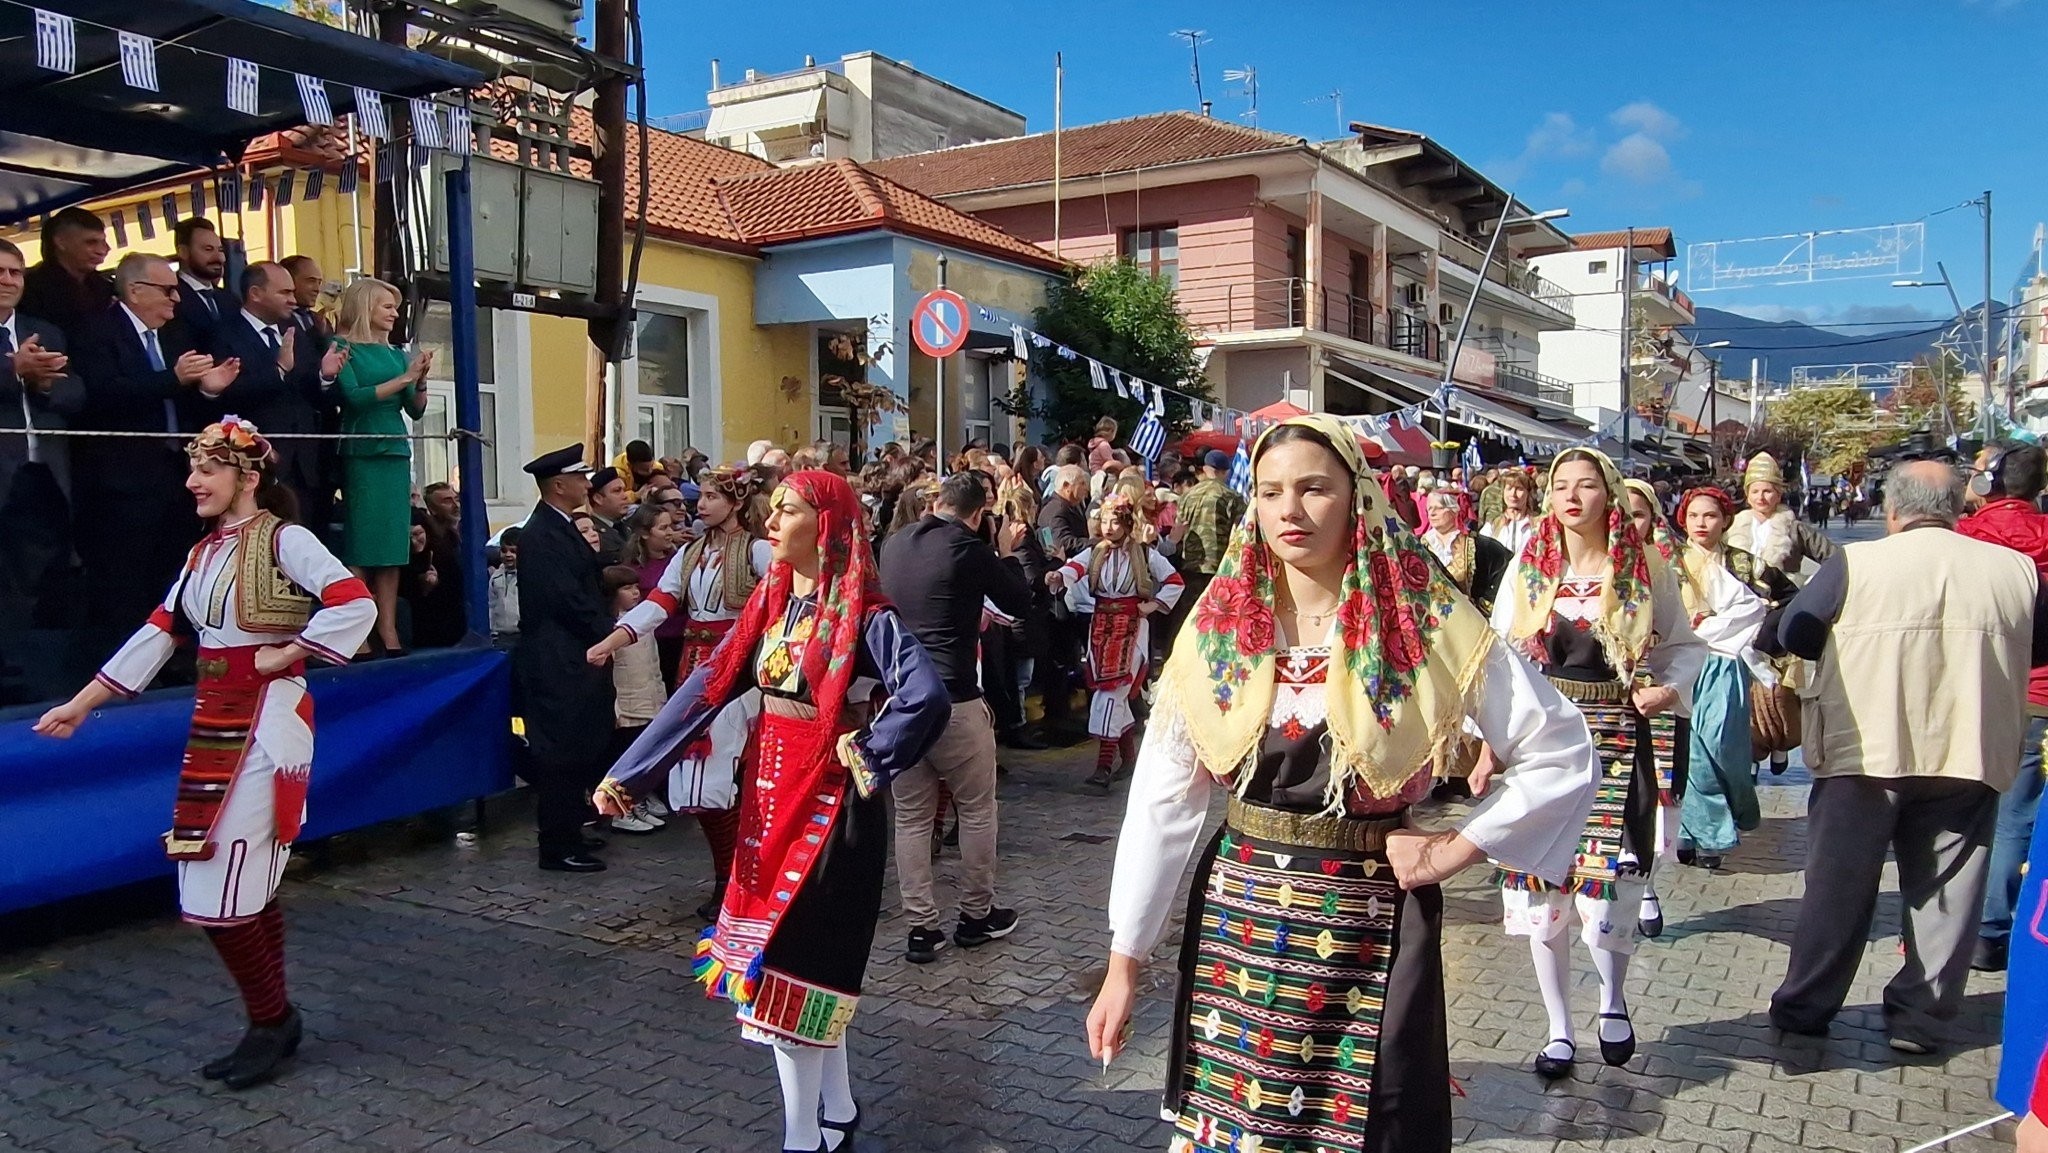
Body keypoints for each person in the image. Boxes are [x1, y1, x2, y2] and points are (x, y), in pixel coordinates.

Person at [1084, 415, 1601, 1153]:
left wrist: (1452, 848)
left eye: (1313, 488)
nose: (1289, 510)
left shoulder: (1424, 619)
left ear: (1357, 496)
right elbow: (1163, 802)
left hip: (1371, 925)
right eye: (1269, 492)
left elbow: (1560, 747)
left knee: (1368, 1129)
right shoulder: (1220, 626)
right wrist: (1123, 962)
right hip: (1243, 922)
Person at [594, 470, 948, 1153]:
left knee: (793, 972)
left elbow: (924, 697)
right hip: (769, 797)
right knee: (795, 968)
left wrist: (870, 751)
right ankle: (835, 1111)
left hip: (827, 812)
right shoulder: (773, 603)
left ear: (826, 525)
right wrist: (631, 771)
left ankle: (800, 1139)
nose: (771, 522)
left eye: (786, 511)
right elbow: (707, 685)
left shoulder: (867, 614)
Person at [32, 416, 374, 1089]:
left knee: (222, 889)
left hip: (266, 722)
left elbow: (352, 601)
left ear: (248, 476)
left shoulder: (286, 537)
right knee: (230, 881)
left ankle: (271, 1019)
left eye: (207, 469)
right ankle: (273, 1016)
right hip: (214, 719)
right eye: (193, 469)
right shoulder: (202, 552)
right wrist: (82, 701)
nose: (193, 481)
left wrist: (292, 649)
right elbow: (162, 628)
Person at [1768, 460, 2048, 1055]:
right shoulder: (2017, 570)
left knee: (1838, 886)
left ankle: (1806, 1006)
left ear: (1892, 510)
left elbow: (1795, 631)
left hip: (1865, 749)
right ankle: (1921, 1020)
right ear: (1958, 507)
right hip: (1969, 746)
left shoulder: (1858, 561)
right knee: (1948, 889)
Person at [1491, 448, 1705, 1080]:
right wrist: (1488, 745)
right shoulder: (1530, 570)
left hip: (1616, 735)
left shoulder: (1643, 568)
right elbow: (1500, 655)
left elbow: (1687, 644)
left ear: (1610, 495)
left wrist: (1664, 689)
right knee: (1542, 888)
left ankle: (1612, 1001)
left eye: (1587, 485)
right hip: (1546, 743)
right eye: (1561, 486)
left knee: (1608, 888)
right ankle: (1558, 1026)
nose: (1572, 497)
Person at [587, 465, 769, 916]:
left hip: (739, 673)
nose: (699, 504)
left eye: (710, 496)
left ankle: (744, 880)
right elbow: (661, 602)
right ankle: (728, 877)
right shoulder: (690, 555)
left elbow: (787, 601)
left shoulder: (759, 550)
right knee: (696, 782)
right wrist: (614, 639)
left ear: (737, 502)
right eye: (700, 496)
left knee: (726, 776)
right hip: (695, 673)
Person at [880, 471, 1036, 963]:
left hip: (902, 701)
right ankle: (975, 914)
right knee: (975, 809)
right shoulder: (968, 548)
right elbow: (1018, 598)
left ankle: (921, 927)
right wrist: (1008, 551)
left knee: (911, 818)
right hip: (955, 699)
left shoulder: (895, 542)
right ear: (976, 513)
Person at [68, 253, 238, 675]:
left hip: (175, 476)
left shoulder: (175, 337)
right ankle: (123, 671)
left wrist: (210, 391)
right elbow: (102, 395)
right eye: (166, 290)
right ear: (135, 291)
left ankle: (173, 664)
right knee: (125, 580)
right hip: (120, 479)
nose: (175, 298)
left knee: (174, 575)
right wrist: (173, 380)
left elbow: (185, 398)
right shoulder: (98, 331)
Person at [1956, 443, 2048, 973]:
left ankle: (1986, 930)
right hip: (2041, 692)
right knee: (2023, 812)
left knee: (1994, 813)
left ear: (1989, 483)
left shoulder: (1969, 539)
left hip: (1988, 688)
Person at [516, 447, 618, 874]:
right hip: (557, 659)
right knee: (560, 752)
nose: (586, 485)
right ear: (559, 485)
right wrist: (606, 631)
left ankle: (570, 830)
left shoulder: (562, 527)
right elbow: (566, 598)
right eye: (580, 478)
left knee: (579, 747)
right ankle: (557, 844)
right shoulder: (541, 534)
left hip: (571, 656)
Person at [1673, 486, 1783, 869]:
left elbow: (1785, 597)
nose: (1702, 523)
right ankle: (1699, 834)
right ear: (1682, 520)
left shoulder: (1744, 565)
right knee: (1690, 751)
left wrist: (1757, 634)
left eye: (1711, 516)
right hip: (1679, 666)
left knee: (1721, 747)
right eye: (1694, 516)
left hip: (1724, 664)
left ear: (1725, 519)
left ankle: (1729, 812)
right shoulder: (1669, 562)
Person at [1051, 491, 1185, 789]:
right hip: (1100, 627)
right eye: (1105, 521)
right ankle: (1128, 757)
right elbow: (1075, 566)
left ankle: (1103, 767)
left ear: (1126, 523)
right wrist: (1058, 576)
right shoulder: (1096, 551)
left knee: (1112, 692)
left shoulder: (1145, 554)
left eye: (1114, 521)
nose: (1108, 527)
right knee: (1107, 690)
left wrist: (1152, 606)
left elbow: (1175, 581)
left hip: (1132, 629)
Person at [332, 278, 431, 657]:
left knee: (392, 545)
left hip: (394, 448)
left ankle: (387, 627)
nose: (394, 313)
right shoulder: (343, 347)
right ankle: (357, 629)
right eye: (386, 306)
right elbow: (353, 398)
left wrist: (418, 382)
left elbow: (414, 409)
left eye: (395, 307)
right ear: (365, 307)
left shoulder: (395, 354)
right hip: (362, 447)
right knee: (363, 543)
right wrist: (404, 378)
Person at [212, 262, 346, 534]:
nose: (293, 300)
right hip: (255, 465)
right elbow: (228, 394)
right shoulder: (224, 334)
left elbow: (309, 389)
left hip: (304, 466)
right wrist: (279, 371)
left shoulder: (294, 331)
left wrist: (325, 375)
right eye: (284, 292)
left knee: (300, 545)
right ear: (256, 293)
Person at [0, 237, 82, 636]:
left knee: (46, 582)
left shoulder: (43, 331)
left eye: (15, 272)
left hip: (45, 476)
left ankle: (36, 676)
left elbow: (77, 393)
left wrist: (46, 383)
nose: (8, 280)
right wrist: (12, 369)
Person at [600, 563, 669, 835]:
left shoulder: (642, 621)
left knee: (644, 753)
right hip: (627, 703)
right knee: (625, 755)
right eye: (627, 588)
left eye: (636, 587)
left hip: (649, 697)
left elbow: (652, 664)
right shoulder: (612, 627)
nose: (635, 593)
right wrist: (616, 708)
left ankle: (638, 798)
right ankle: (621, 809)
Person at [1168, 449, 1245, 646]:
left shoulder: (1187, 496)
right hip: (1220, 565)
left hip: (1190, 564)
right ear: (1226, 471)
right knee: (1217, 618)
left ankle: (1184, 652)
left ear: (1205, 469)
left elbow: (1179, 527)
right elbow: (1240, 533)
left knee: (1189, 615)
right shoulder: (1232, 497)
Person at [1728, 452, 1837, 577]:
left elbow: (1834, 557)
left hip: (1783, 595)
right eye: (1755, 492)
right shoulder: (1732, 527)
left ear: (1778, 495)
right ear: (1747, 496)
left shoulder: (1794, 528)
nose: (1760, 497)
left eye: (1767, 491)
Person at [20, 206, 113, 338]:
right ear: (60, 242)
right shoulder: (30, 293)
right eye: (91, 242)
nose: (103, 250)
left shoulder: (105, 287)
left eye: (103, 241)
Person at [1421, 490, 1512, 613]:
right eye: (1429, 508)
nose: (1432, 513)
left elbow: (1503, 574)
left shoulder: (1482, 546)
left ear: (1454, 510)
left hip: (1471, 619)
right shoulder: (1420, 546)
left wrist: (1481, 605)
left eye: (1438, 508)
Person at [172, 217, 235, 355]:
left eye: (220, 250)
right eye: (208, 249)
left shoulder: (230, 299)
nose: (220, 258)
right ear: (183, 252)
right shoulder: (170, 299)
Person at [1480, 467, 1538, 559]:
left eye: (1519, 489)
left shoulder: (1538, 524)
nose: (1513, 494)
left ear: (1528, 493)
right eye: (1509, 488)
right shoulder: (1493, 525)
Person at [586, 467, 631, 563]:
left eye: (624, 490)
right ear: (598, 498)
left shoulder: (626, 526)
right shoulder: (591, 532)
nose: (625, 496)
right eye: (617, 491)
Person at [489, 525, 522, 648]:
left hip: (521, 634)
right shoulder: (495, 578)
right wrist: (493, 630)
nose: (508, 555)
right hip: (501, 635)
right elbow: (491, 605)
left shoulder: (528, 576)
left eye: (513, 551)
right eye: (504, 550)